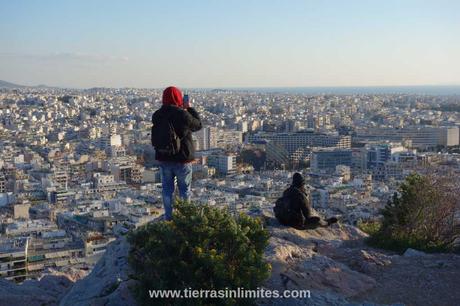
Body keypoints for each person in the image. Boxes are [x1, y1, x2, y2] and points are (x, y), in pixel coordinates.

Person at [151, 86, 202, 220]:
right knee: (184, 190)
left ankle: (169, 217)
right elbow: (198, 125)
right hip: (182, 159)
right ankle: (185, 217)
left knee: (167, 190)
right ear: (178, 98)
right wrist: (189, 108)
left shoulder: (157, 115)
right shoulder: (182, 114)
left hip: (164, 158)